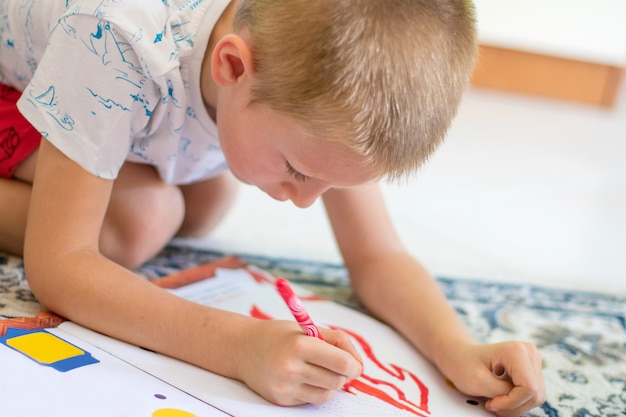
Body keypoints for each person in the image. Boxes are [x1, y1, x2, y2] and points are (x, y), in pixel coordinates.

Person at [0, 0, 545, 415]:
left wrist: (458, 349)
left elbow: (377, 256)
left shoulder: (323, 88)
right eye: (300, 171)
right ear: (233, 67)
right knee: (138, 223)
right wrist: (239, 347)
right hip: (19, 80)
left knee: (205, 203)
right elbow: (61, 265)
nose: (307, 202)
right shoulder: (115, 39)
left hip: (132, 94)